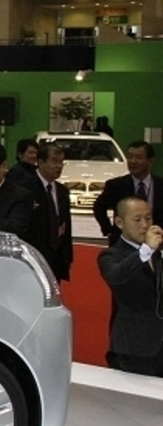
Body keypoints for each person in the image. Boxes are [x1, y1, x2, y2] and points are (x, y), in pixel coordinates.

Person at [97, 197, 163, 376]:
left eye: (148, 218)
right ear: (119, 222)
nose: (145, 225)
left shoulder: (158, 253)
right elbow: (117, 276)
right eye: (137, 219)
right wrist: (146, 250)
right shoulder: (111, 255)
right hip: (134, 348)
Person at [93, 141, 163, 245]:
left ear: (150, 161)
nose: (133, 161)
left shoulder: (160, 185)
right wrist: (109, 230)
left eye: (138, 157)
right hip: (123, 244)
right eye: (130, 157)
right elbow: (99, 207)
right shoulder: (116, 185)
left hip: (157, 242)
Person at [22, 141, 72, 281]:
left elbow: (66, 225)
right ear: (40, 163)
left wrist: (68, 257)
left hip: (56, 257)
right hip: (33, 254)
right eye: (54, 161)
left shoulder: (62, 191)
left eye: (61, 162)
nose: (59, 166)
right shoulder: (25, 188)